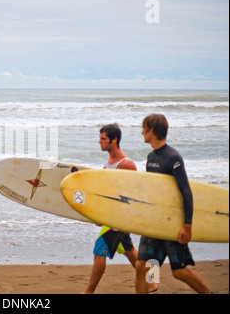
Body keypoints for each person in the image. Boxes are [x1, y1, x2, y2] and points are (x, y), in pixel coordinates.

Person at [135, 114, 211, 294]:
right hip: (155, 223)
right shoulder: (150, 157)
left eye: (144, 128)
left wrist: (187, 225)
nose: (141, 132)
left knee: (179, 271)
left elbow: (186, 191)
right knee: (142, 265)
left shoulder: (173, 157)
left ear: (152, 131)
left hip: (172, 224)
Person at [82, 123, 158, 294]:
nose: (99, 142)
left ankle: (88, 291)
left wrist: (125, 218)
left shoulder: (126, 164)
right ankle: (152, 283)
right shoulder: (109, 162)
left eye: (103, 139)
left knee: (98, 250)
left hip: (120, 219)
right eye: (99, 138)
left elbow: (136, 193)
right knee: (129, 250)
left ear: (114, 140)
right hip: (112, 216)